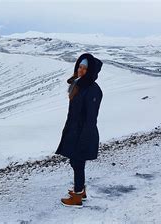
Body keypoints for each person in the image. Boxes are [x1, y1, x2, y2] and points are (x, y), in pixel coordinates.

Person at [55, 53, 103, 207]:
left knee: (78, 162)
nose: (81, 70)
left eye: (85, 68)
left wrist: (84, 139)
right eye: (80, 67)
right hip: (74, 130)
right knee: (75, 162)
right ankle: (80, 190)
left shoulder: (93, 90)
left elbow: (91, 119)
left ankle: (77, 198)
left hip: (83, 133)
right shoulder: (79, 84)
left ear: (91, 71)